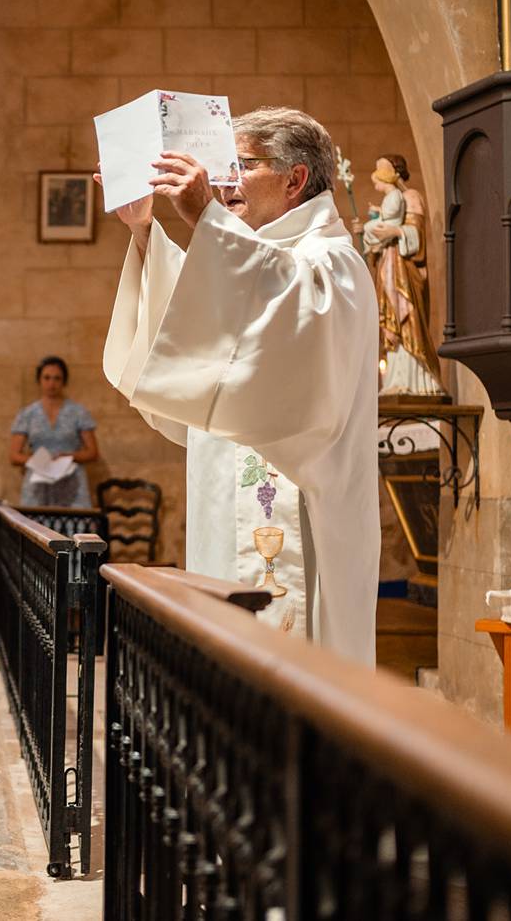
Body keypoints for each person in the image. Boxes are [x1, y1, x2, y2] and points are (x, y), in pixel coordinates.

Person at [102, 106, 380, 665]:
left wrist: (206, 215)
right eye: (222, 168)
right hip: (221, 510)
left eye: (241, 165)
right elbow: (203, 315)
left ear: (295, 178)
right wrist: (143, 229)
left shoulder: (332, 262)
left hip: (307, 516)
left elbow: (279, 305)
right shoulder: (253, 261)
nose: (225, 180)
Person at [359, 154, 444, 397]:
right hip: (389, 265)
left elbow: (416, 236)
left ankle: (418, 381)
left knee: (408, 317)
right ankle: (395, 379)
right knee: (390, 319)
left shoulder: (411, 197)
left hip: (405, 271)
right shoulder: (390, 201)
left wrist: (394, 231)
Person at [7, 356, 100, 508]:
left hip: (71, 485)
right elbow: (14, 456)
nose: (52, 383)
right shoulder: (28, 414)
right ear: (39, 380)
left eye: (57, 378)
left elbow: (93, 452)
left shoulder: (78, 412)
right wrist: (36, 460)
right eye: (47, 378)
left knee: (71, 530)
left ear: (64, 381)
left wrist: (70, 456)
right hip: (38, 487)